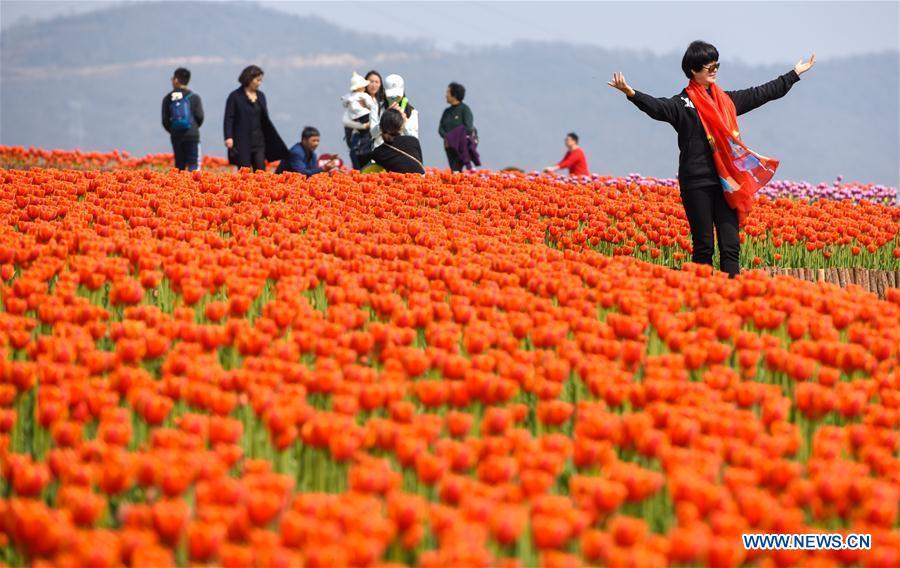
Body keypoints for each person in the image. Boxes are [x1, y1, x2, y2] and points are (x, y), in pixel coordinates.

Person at [609, 40, 815, 277]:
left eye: (717, 65)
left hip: (727, 183)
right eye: (710, 67)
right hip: (697, 183)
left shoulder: (726, 101)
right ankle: (703, 293)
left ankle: (732, 294)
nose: (715, 70)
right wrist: (631, 93)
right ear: (694, 70)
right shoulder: (682, 104)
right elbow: (657, 107)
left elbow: (762, 93)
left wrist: (794, 74)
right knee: (704, 246)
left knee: (731, 246)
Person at [224, 65, 289, 171]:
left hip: (259, 141)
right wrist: (228, 136)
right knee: (244, 171)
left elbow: (265, 119)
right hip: (241, 141)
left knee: (260, 170)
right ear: (249, 79)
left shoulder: (261, 96)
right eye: (258, 80)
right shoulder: (235, 96)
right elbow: (229, 118)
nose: (260, 83)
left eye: (261, 80)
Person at [161, 67, 204, 171]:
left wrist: (173, 129)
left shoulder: (168, 98)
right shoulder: (194, 97)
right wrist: (192, 127)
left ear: (176, 80)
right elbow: (200, 117)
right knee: (194, 165)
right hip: (192, 135)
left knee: (179, 166)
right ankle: (194, 182)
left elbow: (165, 120)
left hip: (176, 136)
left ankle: (179, 182)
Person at [357, 109, 425, 175]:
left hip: (399, 182)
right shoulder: (414, 141)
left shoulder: (378, 152)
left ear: (381, 128)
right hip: (422, 180)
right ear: (401, 126)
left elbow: (362, 159)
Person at [439, 82, 479, 172]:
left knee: (457, 169)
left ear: (454, 95)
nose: (446, 95)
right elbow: (441, 129)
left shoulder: (464, 110)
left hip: (461, 146)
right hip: (449, 146)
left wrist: (455, 136)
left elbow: (468, 127)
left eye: (448, 93)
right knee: (454, 169)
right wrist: (447, 138)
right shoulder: (447, 111)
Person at [342, 72, 379, 170]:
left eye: (376, 82)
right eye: (371, 82)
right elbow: (345, 121)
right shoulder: (360, 97)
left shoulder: (380, 101)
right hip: (360, 136)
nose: (373, 85)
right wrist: (363, 126)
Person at [377, 74, 419, 144]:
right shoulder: (377, 108)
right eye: (391, 95)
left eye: (397, 95)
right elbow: (373, 133)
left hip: (403, 148)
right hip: (382, 147)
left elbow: (414, 138)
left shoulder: (412, 112)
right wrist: (387, 117)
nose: (394, 97)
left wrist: (405, 122)